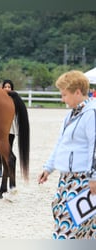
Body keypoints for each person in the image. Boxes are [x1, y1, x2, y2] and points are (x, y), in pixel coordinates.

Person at [38, 70, 96, 239]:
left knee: (69, 226)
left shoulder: (91, 114)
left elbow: (95, 148)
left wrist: (94, 177)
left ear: (77, 92)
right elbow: (61, 142)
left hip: (83, 179)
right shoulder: (71, 114)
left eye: (65, 95)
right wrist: (48, 167)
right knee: (63, 216)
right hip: (67, 179)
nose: (62, 99)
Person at [0, 79, 18, 177]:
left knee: (9, 147)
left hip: (11, 126)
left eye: (9, 87)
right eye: (5, 87)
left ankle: (7, 168)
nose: (7, 89)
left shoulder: (15, 99)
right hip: (1, 126)